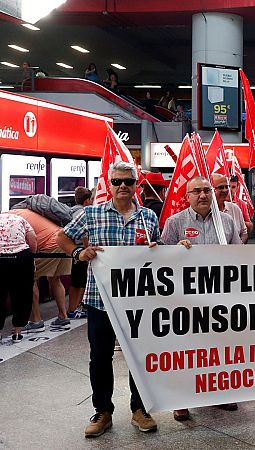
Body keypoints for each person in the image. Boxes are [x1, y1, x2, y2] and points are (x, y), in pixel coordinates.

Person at [57, 161, 161, 437]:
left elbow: (158, 249)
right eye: (117, 182)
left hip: (138, 302)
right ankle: (103, 411)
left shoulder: (148, 217)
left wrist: (156, 249)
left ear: (136, 184)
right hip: (100, 300)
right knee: (100, 358)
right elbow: (62, 237)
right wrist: (78, 252)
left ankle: (140, 409)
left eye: (128, 181)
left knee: (139, 357)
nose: (123, 186)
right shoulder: (92, 214)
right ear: (110, 184)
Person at [161, 175, 240, 421]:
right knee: (186, 349)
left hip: (220, 298)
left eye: (207, 190)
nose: (203, 195)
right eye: (197, 191)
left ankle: (220, 394)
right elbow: (160, 257)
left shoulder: (226, 221)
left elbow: (239, 255)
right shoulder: (175, 222)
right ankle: (182, 399)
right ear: (187, 196)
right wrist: (175, 251)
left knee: (218, 348)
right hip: (186, 300)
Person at [7, 208, 72, 329]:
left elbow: (30, 240)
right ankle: (63, 316)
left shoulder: (8, 219)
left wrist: (30, 259)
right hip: (64, 240)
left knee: (30, 280)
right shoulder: (21, 212)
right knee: (55, 279)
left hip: (50, 245)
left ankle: (35, 320)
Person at [0, 212, 37, 343]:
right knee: (22, 294)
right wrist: (32, 255)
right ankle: (17, 333)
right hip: (21, 257)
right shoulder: (20, 219)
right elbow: (33, 239)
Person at [68, 187, 94, 319]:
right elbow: (84, 234)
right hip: (82, 251)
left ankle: (71, 309)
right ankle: (76, 308)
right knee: (82, 282)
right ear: (87, 200)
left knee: (74, 282)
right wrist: (86, 248)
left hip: (73, 251)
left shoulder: (70, 211)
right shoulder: (83, 213)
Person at [212, 174, 250, 243]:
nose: (225, 190)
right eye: (220, 187)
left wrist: (238, 247)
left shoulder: (235, 208)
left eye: (226, 187)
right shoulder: (204, 211)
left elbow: (244, 233)